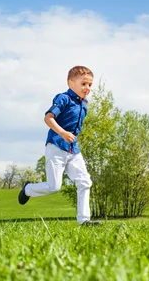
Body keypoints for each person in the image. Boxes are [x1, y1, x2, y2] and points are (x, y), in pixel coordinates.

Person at [18, 66, 101, 226]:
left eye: (90, 85)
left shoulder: (84, 105)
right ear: (71, 84)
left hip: (73, 149)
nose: (87, 88)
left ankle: (84, 221)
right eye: (84, 84)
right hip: (56, 145)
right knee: (54, 187)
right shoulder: (63, 98)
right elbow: (48, 118)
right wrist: (63, 133)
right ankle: (28, 189)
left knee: (85, 181)